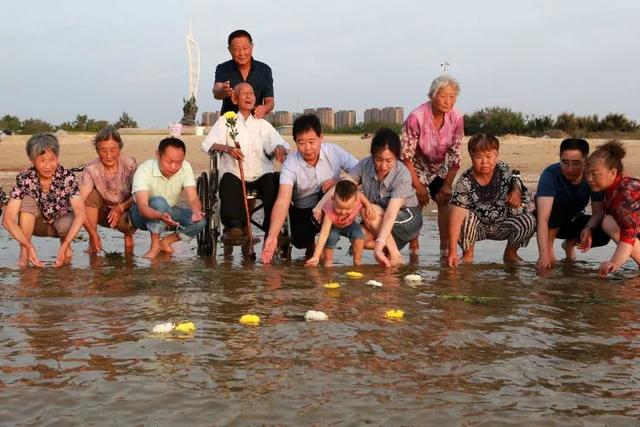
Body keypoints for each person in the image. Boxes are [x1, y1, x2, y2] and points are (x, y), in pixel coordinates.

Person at [261, 114, 358, 263]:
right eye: (301, 143)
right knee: (300, 241)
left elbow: (360, 172)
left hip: (330, 206)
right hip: (302, 209)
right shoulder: (291, 163)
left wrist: (338, 182)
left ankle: (326, 248)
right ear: (295, 142)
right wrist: (272, 235)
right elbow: (283, 200)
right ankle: (311, 245)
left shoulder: (334, 152)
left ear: (321, 137)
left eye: (312, 142)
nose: (307, 149)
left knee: (331, 189)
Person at [202, 82, 288, 239]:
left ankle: (273, 227)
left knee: (274, 180)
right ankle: (234, 226)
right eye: (244, 93)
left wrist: (279, 149)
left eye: (251, 93)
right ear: (234, 99)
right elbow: (208, 144)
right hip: (236, 177)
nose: (249, 96)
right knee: (227, 178)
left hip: (258, 181)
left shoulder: (263, 125)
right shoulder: (226, 121)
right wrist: (227, 148)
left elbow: (278, 143)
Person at [448, 134, 536, 266]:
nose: (484, 162)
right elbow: (456, 218)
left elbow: (515, 179)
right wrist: (452, 252)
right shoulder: (465, 182)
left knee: (529, 220)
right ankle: (467, 255)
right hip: (476, 228)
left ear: (496, 156)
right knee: (463, 216)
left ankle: (510, 253)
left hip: (502, 224)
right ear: (472, 157)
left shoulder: (503, 168)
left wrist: (516, 191)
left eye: (489, 156)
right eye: (479, 157)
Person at [401, 74, 464, 257]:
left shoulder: (457, 117)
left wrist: (447, 184)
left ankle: (444, 247)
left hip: (441, 166)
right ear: (432, 95)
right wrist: (419, 186)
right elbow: (406, 156)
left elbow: (455, 155)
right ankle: (414, 244)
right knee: (417, 201)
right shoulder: (416, 117)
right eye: (443, 95)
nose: (448, 101)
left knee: (444, 198)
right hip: (416, 166)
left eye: (452, 96)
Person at [2, 133, 86, 267]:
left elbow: (81, 214)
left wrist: (66, 242)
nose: (47, 166)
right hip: (36, 225)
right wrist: (28, 245)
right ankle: (24, 254)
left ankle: (66, 250)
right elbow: (7, 220)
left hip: (60, 225)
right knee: (27, 200)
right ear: (32, 160)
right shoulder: (25, 178)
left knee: (69, 223)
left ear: (57, 158)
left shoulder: (67, 177)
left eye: (52, 159)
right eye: (42, 160)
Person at [346, 127, 423, 267]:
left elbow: (391, 213)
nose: (383, 165)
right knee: (359, 239)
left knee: (365, 210)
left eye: (389, 160)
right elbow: (344, 186)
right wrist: (321, 205)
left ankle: (395, 255)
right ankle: (389, 260)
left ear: (397, 157)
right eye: (379, 159)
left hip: (407, 218)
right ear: (372, 155)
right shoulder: (365, 164)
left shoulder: (402, 174)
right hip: (378, 218)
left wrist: (380, 244)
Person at [535, 138, 609, 269]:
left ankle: (570, 244)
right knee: (560, 203)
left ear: (586, 162)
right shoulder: (550, 174)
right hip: (547, 222)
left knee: (604, 228)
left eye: (576, 163)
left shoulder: (591, 177)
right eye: (565, 162)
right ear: (560, 158)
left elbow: (598, 212)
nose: (569, 169)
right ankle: (549, 247)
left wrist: (588, 228)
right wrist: (544, 254)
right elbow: (543, 219)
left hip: (572, 219)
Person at [130, 137, 206, 258]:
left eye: (178, 162)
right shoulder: (144, 170)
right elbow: (142, 207)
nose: (174, 167)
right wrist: (160, 216)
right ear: (158, 154)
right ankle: (154, 246)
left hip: (170, 211)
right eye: (169, 162)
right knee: (159, 203)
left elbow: (193, 198)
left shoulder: (186, 167)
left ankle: (166, 242)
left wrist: (196, 211)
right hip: (142, 216)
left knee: (201, 222)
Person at [584, 141, 640, 277]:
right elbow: (606, 211)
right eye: (587, 173)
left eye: (595, 174)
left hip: (632, 230)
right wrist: (588, 227)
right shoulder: (611, 186)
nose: (589, 179)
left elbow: (629, 234)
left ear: (613, 172)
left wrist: (614, 263)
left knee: (609, 223)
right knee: (608, 221)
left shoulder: (625, 194)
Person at [79, 126, 137, 254]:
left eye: (113, 150)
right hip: (103, 213)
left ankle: (129, 238)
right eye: (103, 150)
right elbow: (79, 203)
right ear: (97, 151)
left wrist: (121, 207)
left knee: (137, 204)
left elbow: (138, 195)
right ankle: (92, 241)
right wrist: (93, 233)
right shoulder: (91, 169)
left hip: (126, 211)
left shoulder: (130, 164)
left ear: (120, 148)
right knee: (90, 195)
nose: (109, 155)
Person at [305, 180, 374, 267]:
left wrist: (369, 206)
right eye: (339, 208)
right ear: (333, 199)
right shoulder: (329, 210)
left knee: (358, 235)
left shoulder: (358, 197)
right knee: (331, 237)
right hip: (333, 226)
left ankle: (357, 261)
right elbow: (323, 235)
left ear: (355, 202)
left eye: (348, 209)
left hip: (349, 224)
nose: (343, 212)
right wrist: (316, 256)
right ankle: (328, 261)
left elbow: (362, 197)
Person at [213, 29, 274, 119]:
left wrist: (264, 109)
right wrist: (223, 90)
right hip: (229, 123)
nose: (241, 53)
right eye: (236, 49)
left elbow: (270, 101)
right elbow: (216, 91)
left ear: (252, 46)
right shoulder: (223, 68)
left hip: (255, 122)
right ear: (229, 50)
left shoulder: (264, 70)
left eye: (245, 48)